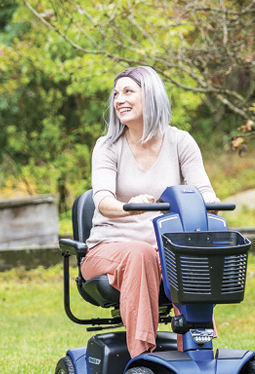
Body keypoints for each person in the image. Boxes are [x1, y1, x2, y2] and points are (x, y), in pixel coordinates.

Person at [81, 66, 220, 358]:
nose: (119, 99)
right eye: (116, 94)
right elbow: (103, 199)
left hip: (161, 248)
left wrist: (209, 208)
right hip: (108, 248)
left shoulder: (181, 142)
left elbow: (204, 191)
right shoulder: (107, 146)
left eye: (128, 91)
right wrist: (130, 209)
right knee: (140, 253)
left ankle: (199, 350)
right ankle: (143, 357)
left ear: (152, 96)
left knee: (182, 252)